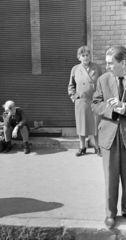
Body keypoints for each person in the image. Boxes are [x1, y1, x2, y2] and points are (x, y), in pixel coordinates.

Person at [92, 45, 126, 229]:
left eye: (111, 63)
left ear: (123, 62)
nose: (107, 67)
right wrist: (112, 109)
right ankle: (110, 214)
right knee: (110, 177)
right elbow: (95, 104)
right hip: (109, 136)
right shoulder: (103, 80)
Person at [68, 46, 102, 157]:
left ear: (90, 56)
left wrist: (101, 98)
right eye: (83, 55)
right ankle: (82, 147)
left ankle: (97, 147)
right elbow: (71, 86)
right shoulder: (75, 69)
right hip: (81, 102)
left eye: (87, 55)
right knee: (81, 125)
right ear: (79, 57)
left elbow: (102, 84)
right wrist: (75, 98)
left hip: (95, 101)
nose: (85, 57)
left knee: (96, 125)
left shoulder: (97, 67)